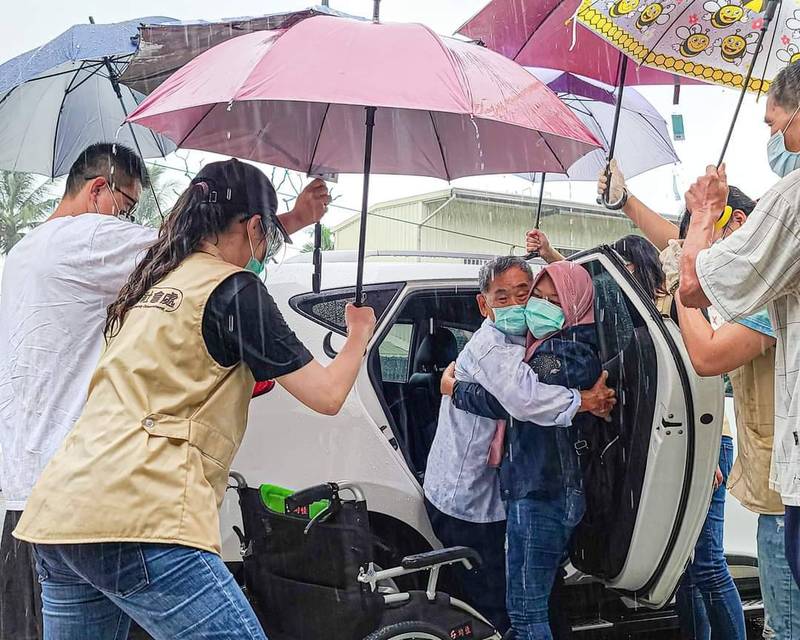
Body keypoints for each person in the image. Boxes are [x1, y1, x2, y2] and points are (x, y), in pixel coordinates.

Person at [4, 156, 337, 639]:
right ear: (97, 190)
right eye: (126, 207)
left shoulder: (43, 255)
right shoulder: (96, 239)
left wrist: (286, 221)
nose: (129, 222)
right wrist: (357, 329)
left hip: (52, 505)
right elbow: (326, 394)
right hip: (131, 507)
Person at [424, 256, 615, 635]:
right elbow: (519, 401)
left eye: (524, 294)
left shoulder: (542, 341)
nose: (515, 305)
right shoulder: (491, 344)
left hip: (505, 495)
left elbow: (563, 285)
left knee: (532, 601)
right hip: (468, 499)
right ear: (483, 305)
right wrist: (584, 401)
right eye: (501, 298)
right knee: (499, 606)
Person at [678, 61, 800, 595]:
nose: (776, 139)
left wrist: (704, 214)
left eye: (776, 126)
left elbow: (695, 289)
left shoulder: (792, 199)